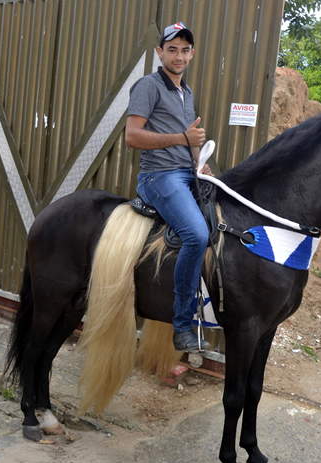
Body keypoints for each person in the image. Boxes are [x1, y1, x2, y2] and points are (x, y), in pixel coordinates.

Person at [125, 22, 213, 353]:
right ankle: (182, 325)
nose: (179, 56)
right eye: (172, 49)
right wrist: (182, 138)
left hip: (187, 173)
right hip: (159, 176)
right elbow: (132, 136)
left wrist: (199, 162)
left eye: (185, 50)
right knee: (197, 235)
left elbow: (189, 138)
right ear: (160, 52)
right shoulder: (148, 86)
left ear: (192, 53)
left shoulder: (186, 92)